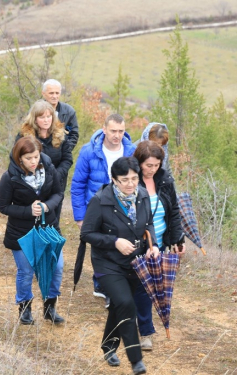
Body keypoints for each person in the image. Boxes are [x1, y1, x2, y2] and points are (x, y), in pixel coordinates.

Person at [80, 156, 158, 375]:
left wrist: (153, 245)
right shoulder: (101, 201)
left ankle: (108, 346)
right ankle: (136, 360)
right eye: (124, 180)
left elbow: (148, 224)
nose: (131, 184)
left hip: (135, 263)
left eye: (134, 178)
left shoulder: (142, 195)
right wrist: (114, 242)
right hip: (107, 263)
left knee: (118, 307)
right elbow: (86, 233)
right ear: (114, 180)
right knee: (126, 304)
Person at [0, 136, 65, 325]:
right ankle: (25, 308)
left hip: (48, 228)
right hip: (21, 232)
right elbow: (3, 207)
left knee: (57, 267)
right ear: (20, 158)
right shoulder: (9, 177)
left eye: (36, 156)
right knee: (26, 271)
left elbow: (58, 193)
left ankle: (50, 307)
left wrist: (47, 206)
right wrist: (28, 211)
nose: (34, 162)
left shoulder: (49, 168)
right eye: (28, 158)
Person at [71, 113, 136, 304]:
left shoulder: (131, 151)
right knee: (99, 245)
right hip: (96, 207)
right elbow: (77, 185)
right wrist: (80, 217)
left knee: (119, 244)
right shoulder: (89, 151)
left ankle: (112, 289)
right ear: (104, 129)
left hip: (124, 207)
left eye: (121, 131)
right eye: (113, 130)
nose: (117, 135)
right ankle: (101, 282)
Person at [133, 140, 185, 351]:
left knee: (152, 286)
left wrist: (177, 238)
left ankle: (143, 327)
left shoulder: (165, 180)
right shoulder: (131, 180)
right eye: (148, 166)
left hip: (160, 242)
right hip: (137, 241)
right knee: (142, 288)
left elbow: (173, 211)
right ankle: (145, 331)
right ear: (139, 163)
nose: (152, 170)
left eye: (156, 165)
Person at [17, 99, 73, 223]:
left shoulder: (60, 134)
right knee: (32, 220)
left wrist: (55, 176)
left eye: (49, 116)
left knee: (52, 220)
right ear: (35, 119)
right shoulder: (24, 136)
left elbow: (67, 159)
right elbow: (16, 159)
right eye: (42, 117)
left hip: (56, 185)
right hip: (31, 184)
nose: (46, 120)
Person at [41, 79, 79, 150]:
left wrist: (65, 151)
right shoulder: (35, 111)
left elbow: (73, 134)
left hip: (61, 154)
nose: (54, 96)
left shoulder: (69, 111)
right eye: (51, 93)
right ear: (43, 93)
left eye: (57, 93)